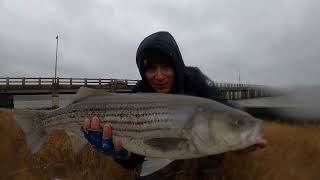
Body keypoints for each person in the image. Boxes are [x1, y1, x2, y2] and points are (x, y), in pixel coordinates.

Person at [81, 31, 267, 179]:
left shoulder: (195, 79)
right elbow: (136, 158)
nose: (160, 76)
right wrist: (123, 156)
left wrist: (240, 135)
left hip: (197, 148)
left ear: (177, 66)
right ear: (143, 72)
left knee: (213, 150)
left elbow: (223, 105)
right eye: (151, 69)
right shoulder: (137, 95)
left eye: (166, 67)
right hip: (158, 150)